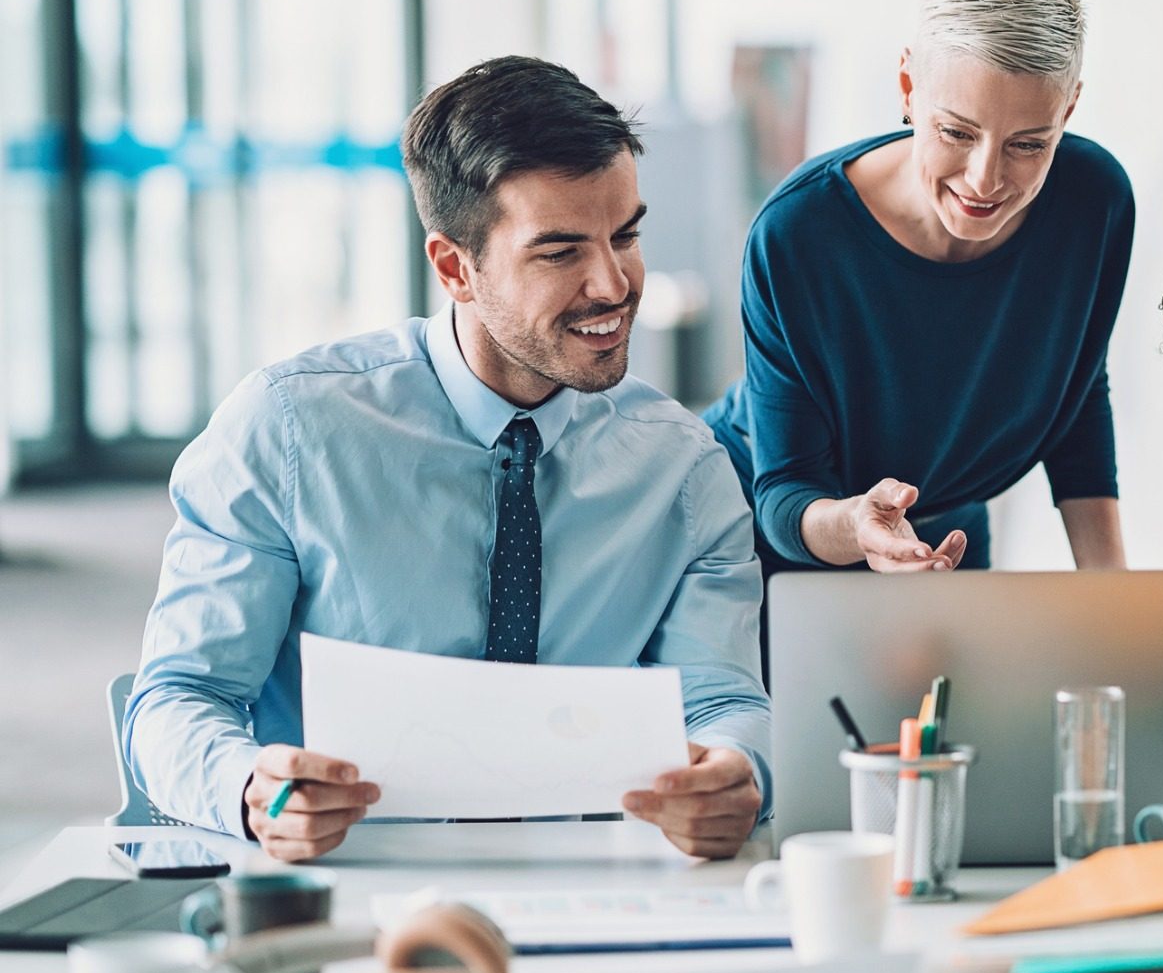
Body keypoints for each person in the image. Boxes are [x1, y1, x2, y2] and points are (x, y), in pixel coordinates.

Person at [124, 56, 771, 862]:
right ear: (455, 267)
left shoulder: (683, 468)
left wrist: (740, 768)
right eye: (560, 251)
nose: (613, 283)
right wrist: (252, 792)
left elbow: (722, 699)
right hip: (344, 884)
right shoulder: (288, 430)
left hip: (595, 881)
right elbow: (180, 698)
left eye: (626, 234)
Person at [702, 0, 1131, 577]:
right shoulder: (799, 234)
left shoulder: (1094, 203)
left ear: (1067, 111)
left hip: (943, 532)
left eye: (1028, 144)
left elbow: (1073, 392)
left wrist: (1117, 601)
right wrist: (860, 527)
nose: (985, 180)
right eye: (957, 132)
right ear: (908, 88)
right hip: (776, 537)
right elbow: (784, 488)